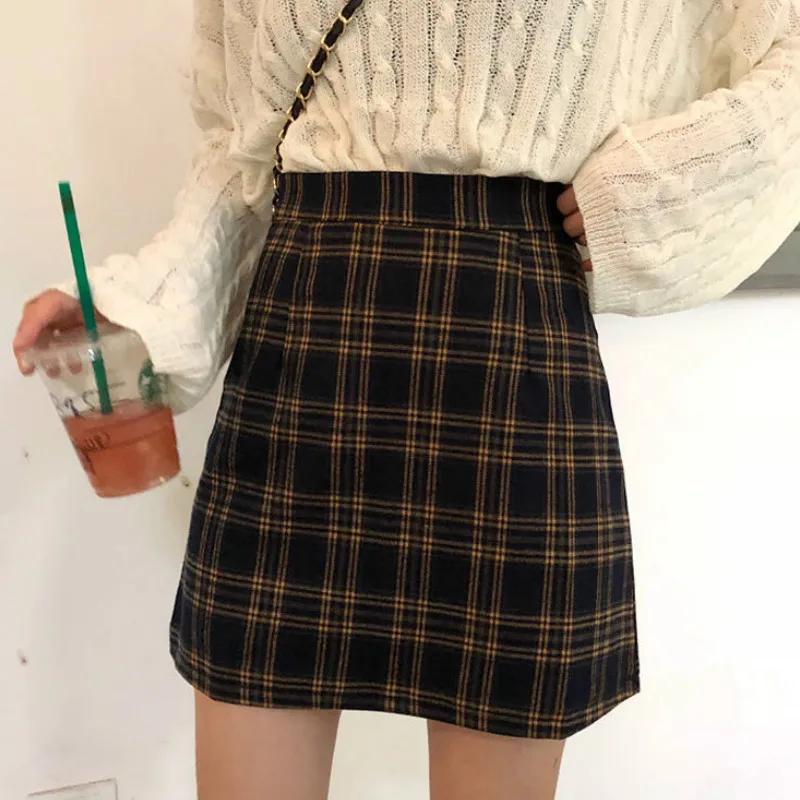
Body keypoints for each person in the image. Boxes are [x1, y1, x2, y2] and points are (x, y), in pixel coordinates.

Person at [13, 2, 800, 798]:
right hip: (301, 346)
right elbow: (242, 159)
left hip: (511, 350)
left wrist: (658, 188)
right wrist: (135, 305)